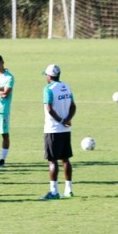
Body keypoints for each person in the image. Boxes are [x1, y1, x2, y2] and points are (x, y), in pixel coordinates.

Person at [40, 64, 76, 200]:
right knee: (65, 159)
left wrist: (61, 121)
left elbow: (49, 109)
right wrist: (68, 119)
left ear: (49, 76)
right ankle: (69, 189)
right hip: (66, 129)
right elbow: (73, 106)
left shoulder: (48, 89)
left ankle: (54, 191)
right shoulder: (66, 87)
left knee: (52, 160)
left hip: (53, 129)